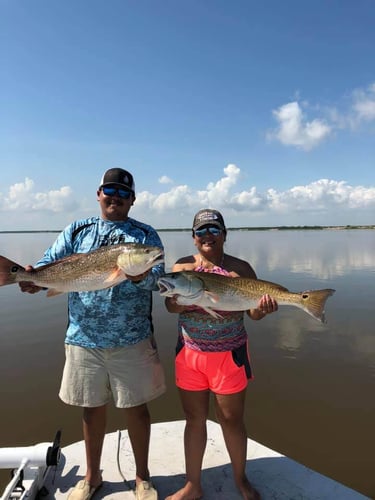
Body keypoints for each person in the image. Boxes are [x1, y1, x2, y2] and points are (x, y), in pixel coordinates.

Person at [19, 168, 166, 500]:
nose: (115, 197)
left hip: (133, 337)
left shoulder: (145, 235)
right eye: (109, 191)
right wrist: (31, 276)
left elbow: (158, 276)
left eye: (123, 193)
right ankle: (92, 475)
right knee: (91, 408)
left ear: (133, 199)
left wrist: (141, 273)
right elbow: (48, 263)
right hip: (83, 337)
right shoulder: (77, 229)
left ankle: (142, 477)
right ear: (99, 194)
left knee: (137, 409)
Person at [164, 209, 278, 500]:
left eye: (214, 230)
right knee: (194, 418)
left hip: (229, 355)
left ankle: (240, 479)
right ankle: (193, 485)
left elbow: (253, 313)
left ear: (224, 235)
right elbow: (170, 307)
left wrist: (261, 309)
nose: (208, 236)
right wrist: (177, 302)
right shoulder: (182, 268)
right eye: (201, 231)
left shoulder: (241, 269)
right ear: (193, 238)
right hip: (190, 354)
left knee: (231, 420)